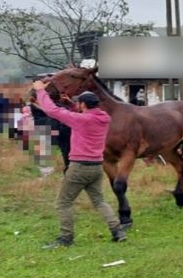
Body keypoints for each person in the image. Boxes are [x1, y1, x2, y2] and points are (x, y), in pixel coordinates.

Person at [31, 80, 126, 248]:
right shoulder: (103, 119)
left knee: (63, 203)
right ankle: (118, 232)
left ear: (83, 105)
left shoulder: (81, 120)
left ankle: (66, 238)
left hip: (79, 168)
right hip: (96, 167)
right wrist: (72, 105)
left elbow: (52, 110)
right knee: (99, 201)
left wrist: (40, 91)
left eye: (79, 103)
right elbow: (86, 116)